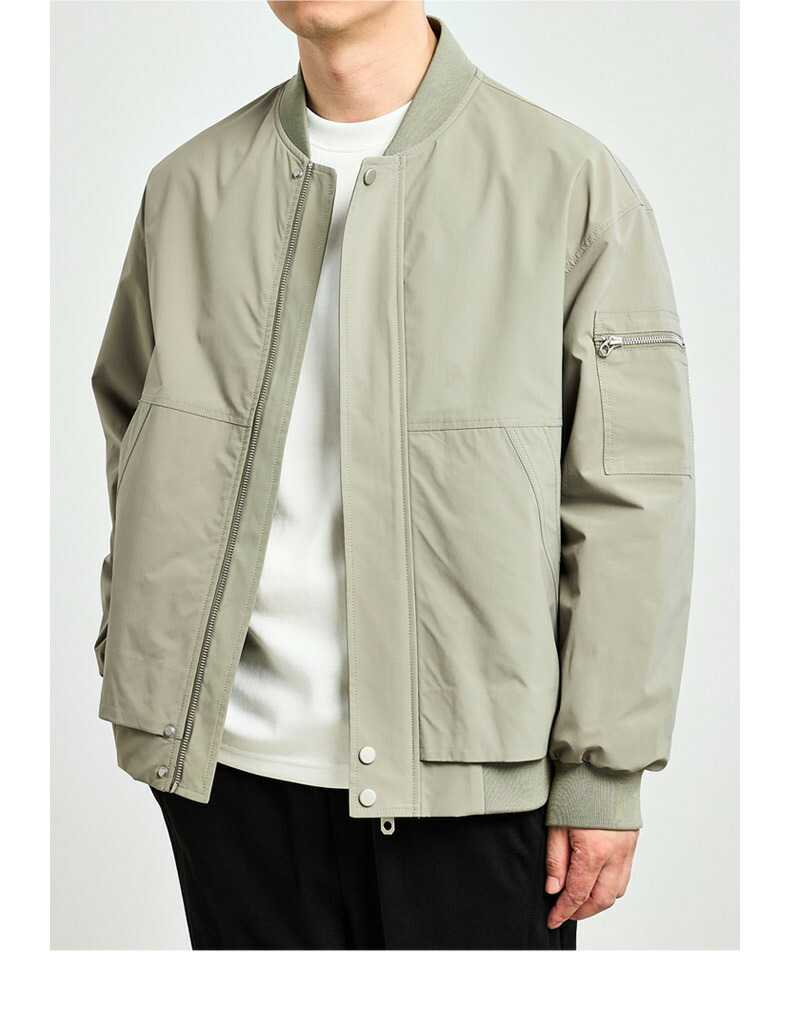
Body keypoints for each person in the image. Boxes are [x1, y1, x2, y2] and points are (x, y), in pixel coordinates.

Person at [91, 1, 694, 950]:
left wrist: (602, 772)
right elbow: (133, 430)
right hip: (229, 778)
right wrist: (142, 660)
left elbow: (630, 497)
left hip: (474, 784)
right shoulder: (188, 188)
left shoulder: (568, 184)